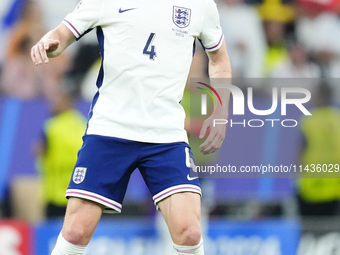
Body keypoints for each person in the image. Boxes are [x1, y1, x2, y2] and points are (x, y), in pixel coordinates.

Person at [31, 0, 232, 254]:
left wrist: (221, 111)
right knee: (75, 231)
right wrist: (50, 44)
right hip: (110, 129)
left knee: (190, 232)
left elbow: (220, 59)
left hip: (166, 134)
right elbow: (61, 34)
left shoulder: (200, 5)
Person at [35, 81, 87, 218]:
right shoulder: (83, 124)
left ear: (66, 101)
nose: (53, 103)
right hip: (79, 192)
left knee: (55, 235)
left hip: (55, 195)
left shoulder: (51, 127)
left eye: (56, 99)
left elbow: (39, 150)